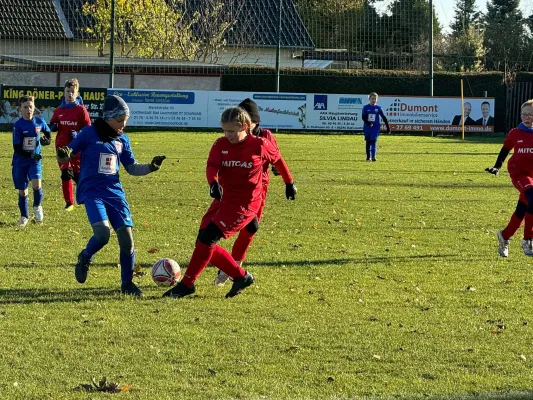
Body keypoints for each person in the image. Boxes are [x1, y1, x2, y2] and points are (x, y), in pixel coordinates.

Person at [163, 106, 287, 299]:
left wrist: (289, 182)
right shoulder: (220, 144)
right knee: (202, 242)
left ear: (245, 127)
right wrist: (212, 182)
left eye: (231, 131)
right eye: (225, 130)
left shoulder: (260, 144)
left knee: (207, 240)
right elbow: (212, 166)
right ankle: (240, 276)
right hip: (223, 200)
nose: (227, 134)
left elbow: (278, 160)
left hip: (245, 204)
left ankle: (187, 284)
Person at [56, 95, 166, 296]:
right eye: (119, 120)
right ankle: (85, 256)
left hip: (115, 194)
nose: (123, 125)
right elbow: (67, 153)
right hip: (92, 191)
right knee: (103, 235)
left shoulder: (122, 140)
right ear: (108, 118)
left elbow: (132, 168)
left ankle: (127, 285)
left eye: (125, 121)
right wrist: (63, 154)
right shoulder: (88, 133)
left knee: (127, 240)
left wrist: (150, 167)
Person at [212, 98, 296, 286]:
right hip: (232, 190)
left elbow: (277, 158)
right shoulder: (231, 139)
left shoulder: (265, 137)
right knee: (219, 230)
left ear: (254, 122)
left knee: (250, 229)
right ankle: (228, 265)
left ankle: (233, 265)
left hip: (258, 190)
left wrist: (287, 181)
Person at [486, 99, 533, 257]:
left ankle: (504, 236)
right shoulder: (515, 133)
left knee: (522, 210)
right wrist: (497, 166)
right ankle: (528, 239)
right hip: (519, 173)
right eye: (524, 114)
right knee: (532, 197)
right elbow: (505, 149)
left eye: (530, 115)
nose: (527, 118)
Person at [50, 78, 92, 211]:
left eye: (73, 92)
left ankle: (87, 196)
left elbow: (88, 128)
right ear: (64, 92)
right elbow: (53, 122)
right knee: (66, 173)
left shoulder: (81, 110)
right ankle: (69, 203)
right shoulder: (58, 110)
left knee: (77, 174)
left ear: (77, 93)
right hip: (61, 148)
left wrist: (78, 134)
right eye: (68, 91)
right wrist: (53, 126)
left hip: (76, 147)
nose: (70, 94)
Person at [11, 95, 51, 227]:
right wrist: (30, 156)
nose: (29, 110)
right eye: (25, 107)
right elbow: (17, 147)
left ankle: (37, 206)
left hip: (35, 161)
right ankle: (24, 216)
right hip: (21, 161)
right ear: (20, 109)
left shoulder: (39, 122)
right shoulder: (18, 125)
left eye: (31, 107)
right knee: (23, 190)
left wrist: (47, 141)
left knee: (36, 185)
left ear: (34, 108)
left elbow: (48, 134)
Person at [362, 92, 390, 161]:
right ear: (369, 99)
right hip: (367, 127)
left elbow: (384, 117)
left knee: (374, 141)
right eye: (372, 98)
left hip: (375, 127)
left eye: (375, 98)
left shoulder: (378, 108)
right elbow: (363, 117)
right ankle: (368, 157)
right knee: (368, 141)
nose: (373, 100)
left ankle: (374, 157)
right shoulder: (365, 108)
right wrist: (368, 123)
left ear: (377, 99)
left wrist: (388, 128)